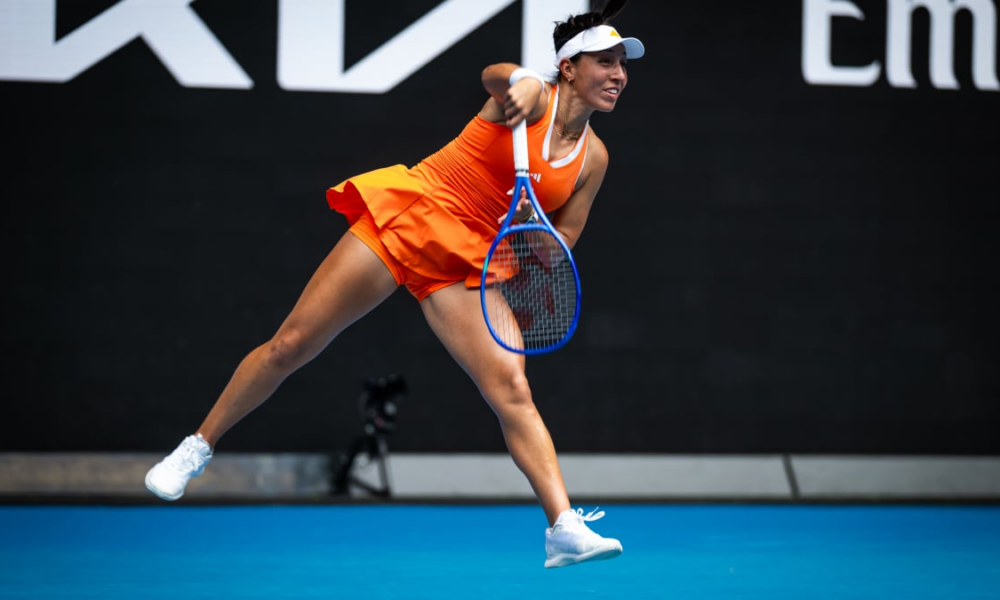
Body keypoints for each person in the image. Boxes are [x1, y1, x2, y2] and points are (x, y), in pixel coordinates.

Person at [145, 0, 644, 569]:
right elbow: (495, 76)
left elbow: (563, 240)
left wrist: (534, 238)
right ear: (570, 68)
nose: (619, 75)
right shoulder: (530, 97)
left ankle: (561, 527)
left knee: (513, 389)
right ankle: (197, 447)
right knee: (291, 345)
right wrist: (522, 81)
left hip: (469, 263)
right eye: (606, 62)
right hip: (412, 215)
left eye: (623, 65)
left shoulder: (593, 159)